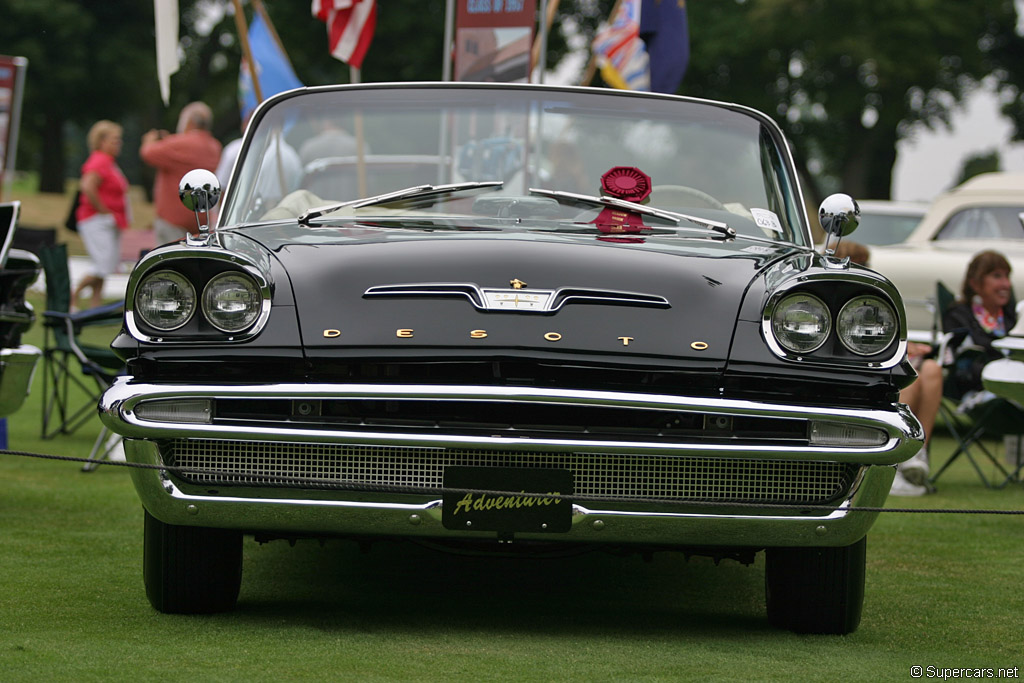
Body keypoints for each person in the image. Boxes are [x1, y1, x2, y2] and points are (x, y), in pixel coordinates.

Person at [834, 240, 940, 495]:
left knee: (932, 369)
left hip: (879, 363)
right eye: (861, 263)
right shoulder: (835, 299)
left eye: (867, 263)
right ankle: (900, 459)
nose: (868, 269)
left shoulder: (872, 301)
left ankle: (918, 453)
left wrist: (909, 347)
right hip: (855, 373)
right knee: (908, 379)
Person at [943, 250, 1017, 410]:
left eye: (1007, 276)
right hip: (978, 391)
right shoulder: (959, 316)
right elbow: (966, 365)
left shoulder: (1013, 318)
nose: (1006, 284)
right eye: (997, 276)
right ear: (975, 283)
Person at [140, 101, 222, 246]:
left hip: (173, 218)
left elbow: (148, 153)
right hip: (201, 218)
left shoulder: (179, 144)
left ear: (189, 122)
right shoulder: (214, 146)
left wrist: (150, 141)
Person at [72, 120, 131, 309]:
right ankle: (73, 295)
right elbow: (87, 186)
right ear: (101, 141)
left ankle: (94, 305)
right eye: (114, 140)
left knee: (105, 265)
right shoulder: (99, 161)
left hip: (109, 222)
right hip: (96, 220)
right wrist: (104, 210)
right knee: (103, 265)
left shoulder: (110, 163)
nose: (118, 144)